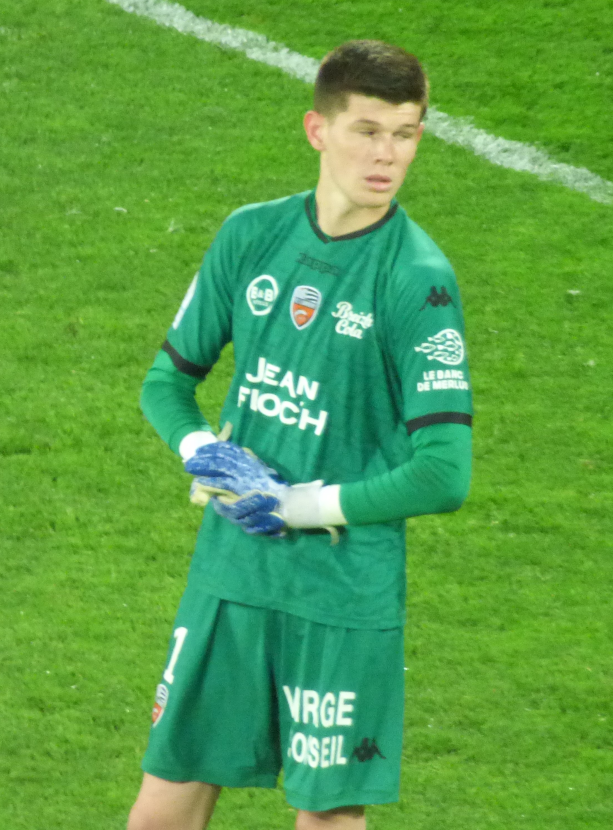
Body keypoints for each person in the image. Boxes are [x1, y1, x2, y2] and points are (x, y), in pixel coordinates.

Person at [128, 40, 473, 830]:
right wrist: (199, 450)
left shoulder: (415, 279)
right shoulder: (251, 236)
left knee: (326, 822)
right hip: (229, 577)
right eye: (367, 130)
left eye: (407, 133)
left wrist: (292, 505)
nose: (387, 154)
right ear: (317, 130)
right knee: (160, 811)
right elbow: (166, 384)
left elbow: (443, 474)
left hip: (341, 598)